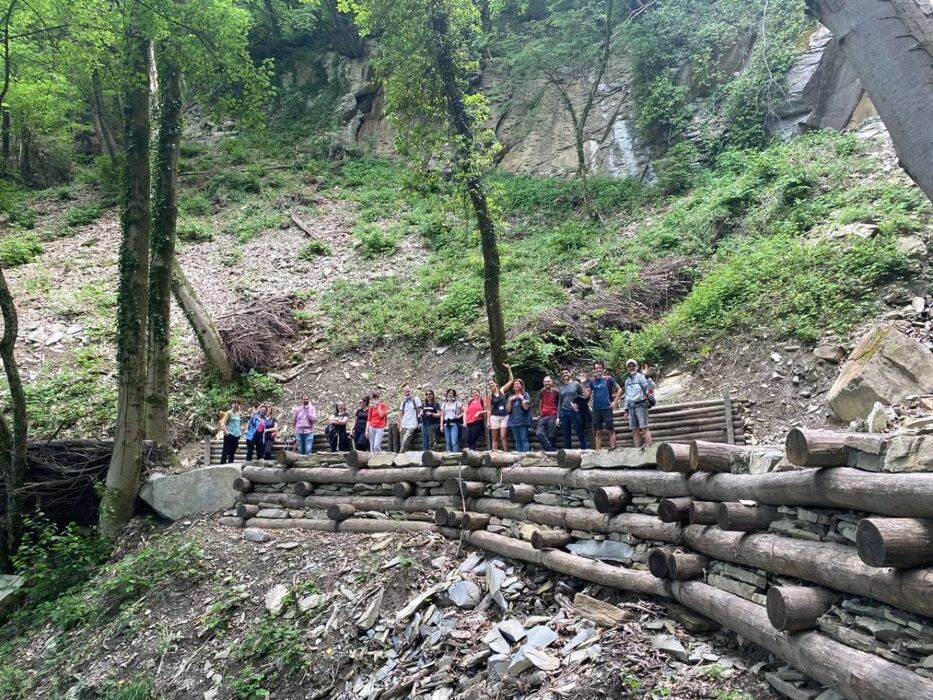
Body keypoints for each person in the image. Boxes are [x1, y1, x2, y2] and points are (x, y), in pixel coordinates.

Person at [585, 360, 621, 450]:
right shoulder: (592, 381)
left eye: (600, 368)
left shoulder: (608, 379)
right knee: (597, 432)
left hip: (607, 408)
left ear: (603, 368)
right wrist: (583, 383)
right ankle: (598, 452)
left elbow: (619, 389)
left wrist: (614, 402)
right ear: (594, 370)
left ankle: (613, 449)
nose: (598, 369)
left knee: (610, 430)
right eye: (596, 368)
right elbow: (587, 395)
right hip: (596, 409)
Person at [623, 359, 656, 448]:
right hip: (631, 407)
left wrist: (647, 376)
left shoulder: (641, 377)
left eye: (633, 365)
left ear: (637, 367)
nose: (631, 368)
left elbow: (652, 387)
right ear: (627, 368)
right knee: (634, 430)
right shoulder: (627, 381)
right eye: (629, 366)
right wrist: (626, 410)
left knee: (644, 428)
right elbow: (627, 395)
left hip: (641, 405)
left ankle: (649, 450)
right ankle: (637, 451)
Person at [557, 370, 587, 450]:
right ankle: (568, 454)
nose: (565, 374)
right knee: (566, 435)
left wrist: (578, 404)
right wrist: (558, 417)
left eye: (566, 372)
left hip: (575, 412)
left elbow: (583, 397)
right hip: (564, 412)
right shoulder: (561, 388)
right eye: (563, 373)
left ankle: (585, 452)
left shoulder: (576, 384)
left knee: (580, 432)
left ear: (570, 374)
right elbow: (559, 402)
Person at [487, 365, 514, 451]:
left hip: (504, 416)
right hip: (494, 417)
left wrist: (509, 370)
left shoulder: (502, 390)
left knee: (503, 436)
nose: (491, 385)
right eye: (490, 384)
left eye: (492, 383)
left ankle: (506, 454)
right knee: (495, 438)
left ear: (496, 384)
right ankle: (495, 455)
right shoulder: (490, 397)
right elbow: (488, 409)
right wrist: (488, 421)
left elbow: (511, 380)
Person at [535, 377, 560, 451]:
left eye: (548, 381)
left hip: (553, 414)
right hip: (543, 416)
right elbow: (540, 403)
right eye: (545, 381)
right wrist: (540, 413)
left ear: (552, 382)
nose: (546, 383)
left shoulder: (556, 391)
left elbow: (559, 404)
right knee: (539, 433)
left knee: (551, 435)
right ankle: (551, 450)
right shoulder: (542, 391)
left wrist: (558, 416)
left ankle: (550, 454)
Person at [507, 379, 532, 453]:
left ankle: (525, 456)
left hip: (523, 421)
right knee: (517, 440)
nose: (515, 385)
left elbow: (526, 407)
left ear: (521, 386)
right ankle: (518, 457)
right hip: (513, 422)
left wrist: (522, 398)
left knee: (524, 438)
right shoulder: (511, 396)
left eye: (517, 384)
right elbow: (508, 409)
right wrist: (510, 400)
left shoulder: (525, 395)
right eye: (514, 384)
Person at [397, 385, 423, 452]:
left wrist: (419, 422)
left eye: (408, 391)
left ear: (411, 391)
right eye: (405, 392)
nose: (406, 393)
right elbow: (400, 414)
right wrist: (400, 426)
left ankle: (399, 456)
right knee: (402, 442)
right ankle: (403, 458)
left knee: (405, 441)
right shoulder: (404, 401)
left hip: (412, 424)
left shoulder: (416, 399)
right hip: (404, 424)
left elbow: (419, 411)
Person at [219, 400, 242, 464]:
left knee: (232, 452)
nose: (236, 404)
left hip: (236, 435)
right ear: (231, 404)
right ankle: (222, 466)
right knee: (225, 452)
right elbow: (222, 423)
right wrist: (227, 433)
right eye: (234, 403)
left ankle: (230, 466)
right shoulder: (228, 413)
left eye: (237, 403)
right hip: (229, 435)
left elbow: (237, 424)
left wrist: (239, 433)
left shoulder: (238, 413)